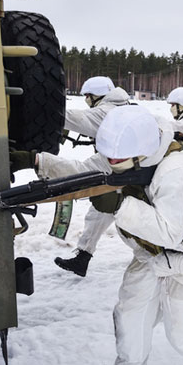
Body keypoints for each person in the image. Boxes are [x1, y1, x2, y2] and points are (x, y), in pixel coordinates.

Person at [30, 106, 183, 365]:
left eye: (117, 161)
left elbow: (170, 232)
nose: (112, 165)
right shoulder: (123, 149)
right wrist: (38, 161)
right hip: (148, 255)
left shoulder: (178, 171)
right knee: (129, 320)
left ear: (142, 153)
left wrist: (120, 204)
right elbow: (86, 173)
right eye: (110, 158)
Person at [54, 76, 129, 277]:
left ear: (94, 96)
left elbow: (77, 119)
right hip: (121, 171)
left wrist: (48, 111)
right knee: (99, 212)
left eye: (87, 97)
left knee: (129, 224)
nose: (86, 101)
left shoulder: (106, 112)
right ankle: (82, 259)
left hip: (118, 170)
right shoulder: (124, 107)